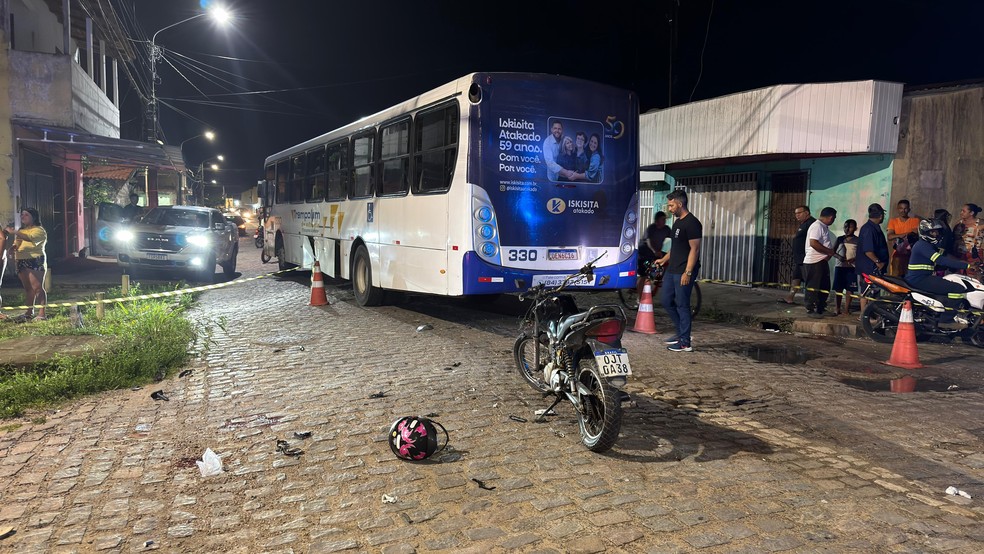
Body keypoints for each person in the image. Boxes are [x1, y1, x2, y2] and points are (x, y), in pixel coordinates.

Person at [905, 218, 975, 330]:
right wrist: (966, 266)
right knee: (957, 289)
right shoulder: (922, 245)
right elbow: (941, 260)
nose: (936, 234)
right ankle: (947, 320)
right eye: (933, 232)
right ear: (924, 233)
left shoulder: (930, 245)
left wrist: (967, 263)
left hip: (923, 278)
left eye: (937, 232)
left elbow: (946, 256)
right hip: (919, 279)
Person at [656, 190, 702, 352]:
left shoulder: (692, 223)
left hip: (684, 270)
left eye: (671, 205)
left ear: (680, 204)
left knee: (683, 305)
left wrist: (688, 272)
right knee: (666, 301)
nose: (669, 208)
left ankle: (685, 342)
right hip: (672, 269)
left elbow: (694, 250)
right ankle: (679, 333)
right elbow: (676, 248)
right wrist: (663, 260)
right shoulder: (677, 223)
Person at [5, 208, 48, 322]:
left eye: (26, 215)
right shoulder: (22, 230)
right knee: (28, 288)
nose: (23, 217)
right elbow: (18, 242)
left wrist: (14, 231)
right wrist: (13, 247)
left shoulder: (39, 230)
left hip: (34, 259)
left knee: (37, 287)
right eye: (22, 215)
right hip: (20, 260)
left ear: (34, 217)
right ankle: (29, 312)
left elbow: (30, 238)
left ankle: (42, 314)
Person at [803, 207, 843, 318]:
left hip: (822, 261)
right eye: (834, 218)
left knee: (825, 286)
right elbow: (813, 243)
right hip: (814, 262)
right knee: (813, 286)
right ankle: (810, 309)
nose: (833, 220)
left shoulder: (823, 227)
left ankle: (821, 307)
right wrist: (829, 252)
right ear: (830, 217)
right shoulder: (817, 226)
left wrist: (832, 255)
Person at [855, 203, 889, 316]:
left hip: (872, 267)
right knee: (867, 291)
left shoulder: (874, 228)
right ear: (880, 215)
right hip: (870, 267)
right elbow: (868, 251)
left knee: (874, 292)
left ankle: (870, 314)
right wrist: (878, 262)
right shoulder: (869, 229)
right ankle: (864, 315)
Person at [779, 206, 815, 304]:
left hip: (806, 258)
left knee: (809, 280)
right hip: (799, 258)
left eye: (799, 213)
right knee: (796, 277)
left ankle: (812, 302)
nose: (797, 216)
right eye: (795, 214)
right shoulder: (803, 224)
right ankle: (790, 297)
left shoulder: (811, 223)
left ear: (806, 212)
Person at [636, 211, 672, 299]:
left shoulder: (666, 229)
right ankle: (639, 299)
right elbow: (648, 241)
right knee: (644, 275)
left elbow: (675, 238)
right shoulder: (651, 228)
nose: (664, 221)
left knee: (669, 260)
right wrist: (655, 251)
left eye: (665, 219)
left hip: (657, 251)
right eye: (662, 219)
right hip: (645, 251)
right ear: (657, 220)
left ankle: (657, 279)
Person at [832, 219, 858, 316]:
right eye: (845, 227)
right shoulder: (839, 239)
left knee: (850, 289)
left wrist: (854, 259)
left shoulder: (858, 240)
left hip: (852, 267)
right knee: (838, 288)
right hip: (840, 266)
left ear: (855, 228)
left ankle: (847, 309)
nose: (847, 229)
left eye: (850, 227)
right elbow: (832, 251)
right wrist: (839, 257)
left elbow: (860, 254)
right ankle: (837, 308)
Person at [887, 199, 919, 276]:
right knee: (896, 277)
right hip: (897, 254)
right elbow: (889, 236)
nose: (903, 210)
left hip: (911, 254)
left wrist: (898, 235)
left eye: (905, 208)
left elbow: (915, 234)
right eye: (901, 208)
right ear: (898, 209)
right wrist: (907, 234)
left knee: (909, 276)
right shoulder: (893, 221)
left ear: (909, 209)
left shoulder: (915, 221)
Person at [952, 203, 983, 279]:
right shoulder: (959, 224)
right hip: (960, 256)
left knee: (974, 277)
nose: (961, 213)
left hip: (975, 256)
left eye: (964, 211)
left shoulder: (981, 224)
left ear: (971, 213)